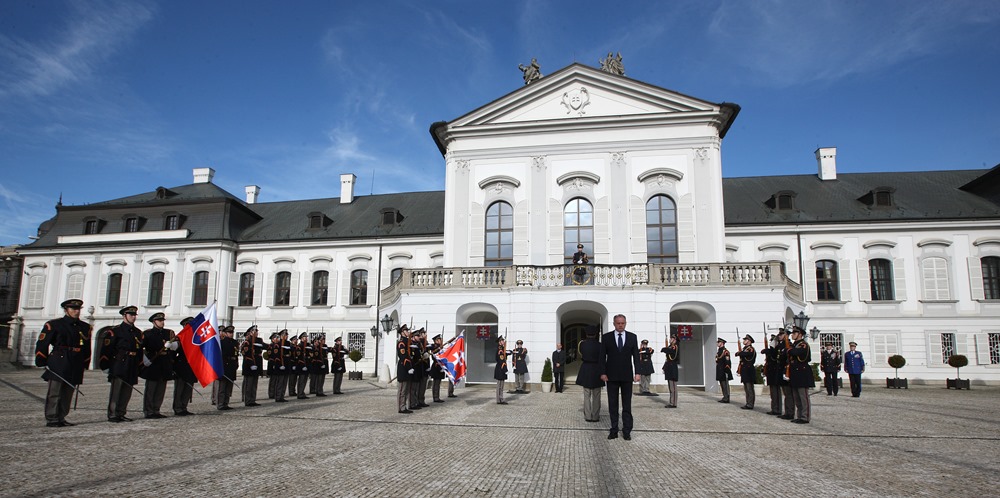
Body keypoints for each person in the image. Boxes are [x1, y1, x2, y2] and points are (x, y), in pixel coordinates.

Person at [34, 298, 92, 427]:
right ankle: (52, 417)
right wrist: (42, 360)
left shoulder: (85, 327)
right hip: (59, 359)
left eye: (78, 309)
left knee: (68, 392)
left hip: (75, 360)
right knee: (55, 391)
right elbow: (43, 343)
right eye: (73, 309)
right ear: (66, 310)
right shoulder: (54, 324)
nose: (76, 312)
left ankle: (61, 416)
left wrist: (85, 362)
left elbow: (87, 346)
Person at [600, 314, 641, 441]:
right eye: (618, 323)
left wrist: (637, 372)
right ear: (614, 324)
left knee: (626, 404)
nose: (620, 325)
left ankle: (627, 430)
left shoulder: (632, 337)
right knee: (613, 404)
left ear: (625, 323)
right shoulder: (606, 337)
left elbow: (636, 356)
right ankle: (614, 430)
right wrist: (602, 372)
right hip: (611, 376)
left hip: (627, 376)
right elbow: (602, 357)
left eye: (622, 323)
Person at [103, 305, 143, 423]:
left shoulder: (137, 332)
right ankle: (113, 413)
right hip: (119, 363)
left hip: (132, 363)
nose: (133, 317)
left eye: (135, 315)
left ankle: (121, 412)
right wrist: (105, 365)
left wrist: (139, 364)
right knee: (117, 390)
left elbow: (139, 350)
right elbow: (106, 349)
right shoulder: (115, 331)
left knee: (127, 390)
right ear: (124, 316)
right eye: (131, 315)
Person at [140, 312, 176, 419]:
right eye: (160, 321)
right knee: (151, 389)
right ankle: (149, 410)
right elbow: (140, 348)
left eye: (163, 321)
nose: (162, 322)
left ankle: (156, 409)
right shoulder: (147, 334)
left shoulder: (168, 333)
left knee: (161, 389)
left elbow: (174, 347)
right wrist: (144, 360)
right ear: (154, 322)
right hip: (153, 364)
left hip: (164, 363)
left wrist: (171, 346)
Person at [787, 327, 814, 423]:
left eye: (795, 333)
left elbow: (795, 352)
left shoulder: (803, 344)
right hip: (795, 372)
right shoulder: (794, 344)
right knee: (796, 396)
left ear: (800, 334)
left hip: (802, 372)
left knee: (803, 396)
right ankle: (799, 415)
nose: (793, 334)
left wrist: (789, 349)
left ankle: (805, 417)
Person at [171, 317, 197, 416]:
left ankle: (184, 407)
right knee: (179, 388)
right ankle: (177, 408)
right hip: (181, 366)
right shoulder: (180, 338)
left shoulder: (195, 338)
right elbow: (173, 354)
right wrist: (173, 368)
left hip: (191, 367)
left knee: (188, 388)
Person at [576, 328, 603, 421]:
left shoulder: (582, 344)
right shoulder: (600, 345)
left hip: (586, 368)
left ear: (587, 335)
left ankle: (587, 416)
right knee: (597, 395)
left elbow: (580, 353)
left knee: (586, 395)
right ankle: (595, 416)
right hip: (597, 369)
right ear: (595, 335)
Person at [241, 325, 265, 406]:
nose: (256, 333)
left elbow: (265, 346)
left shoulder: (259, 340)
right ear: (251, 333)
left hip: (257, 364)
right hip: (249, 366)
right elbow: (246, 354)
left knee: (254, 384)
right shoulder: (247, 342)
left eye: (257, 331)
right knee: (249, 385)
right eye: (255, 331)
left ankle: (252, 400)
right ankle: (248, 400)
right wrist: (251, 364)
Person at [760, 333, 783, 415]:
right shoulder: (774, 350)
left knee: (776, 392)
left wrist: (770, 351)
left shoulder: (777, 349)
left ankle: (777, 409)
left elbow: (775, 358)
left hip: (775, 372)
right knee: (773, 392)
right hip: (771, 372)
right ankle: (774, 408)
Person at [217, 326, 238, 410]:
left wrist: (236, 364)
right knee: (222, 387)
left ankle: (226, 403)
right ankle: (221, 404)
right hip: (225, 366)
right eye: (229, 333)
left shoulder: (234, 342)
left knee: (229, 387)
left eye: (232, 332)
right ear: (225, 333)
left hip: (232, 366)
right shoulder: (222, 342)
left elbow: (236, 354)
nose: (231, 334)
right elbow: (220, 356)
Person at [734, 334, 757, 410]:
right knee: (746, 388)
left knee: (749, 388)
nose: (744, 341)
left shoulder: (751, 349)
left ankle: (750, 404)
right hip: (745, 370)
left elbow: (748, 354)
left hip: (749, 370)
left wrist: (740, 353)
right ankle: (748, 402)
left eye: (745, 339)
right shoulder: (745, 349)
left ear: (749, 341)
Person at [396, 325, 414, 413]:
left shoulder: (407, 342)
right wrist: (408, 367)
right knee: (402, 390)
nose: (408, 332)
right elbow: (404, 357)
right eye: (406, 331)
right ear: (402, 333)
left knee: (406, 390)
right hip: (403, 368)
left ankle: (404, 406)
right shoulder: (401, 343)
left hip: (408, 368)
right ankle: (401, 407)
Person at [272, 329, 292, 403]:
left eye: (286, 335)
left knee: (284, 382)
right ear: (281, 336)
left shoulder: (288, 343)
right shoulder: (278, 344)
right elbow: (276, 356)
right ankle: (278, 396)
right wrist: (279, 365)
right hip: (280, 364)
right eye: (284, 335)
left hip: (287, 364)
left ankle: (282, 396)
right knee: (280, 382)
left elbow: (292, 350)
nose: (286, 336)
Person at [660, 335, 679, 408]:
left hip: (673, 367)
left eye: (672, 339)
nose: (670, 339)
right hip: (669, 367)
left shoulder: (675, 347)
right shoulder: (670, 347)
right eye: (670, 338)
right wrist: (664, 367)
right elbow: (667, 359)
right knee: (670, 387)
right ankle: (671, 402)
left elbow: (672, 354)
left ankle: (674, 403)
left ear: (675, 340)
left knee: (673, 387)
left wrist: (666, 349)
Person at [429, 334, 446, 402]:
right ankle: (435, 397)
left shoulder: (440, 347)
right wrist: (439, 348)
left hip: (440, 366)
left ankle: (437, 396)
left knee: (438, 383)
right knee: (436, 383)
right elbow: (434, 355)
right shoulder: (434, 346)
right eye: (439, 340)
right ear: (436, 340)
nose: (440, 341)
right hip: (436, 366)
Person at [715, 338, 732, 403]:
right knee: (722, 384)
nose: (717, 343)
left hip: (724, 370)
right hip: (720, 370)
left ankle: (727, 397)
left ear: (722, 343)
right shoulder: (719, 351)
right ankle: (725, 397)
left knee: (725, 385)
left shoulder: (725, 351)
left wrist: (727, 369)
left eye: (718, 342)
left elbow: (727, 361)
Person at [494, 336, 509, 405]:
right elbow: (501, 360)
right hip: (500, 369)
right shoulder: (500, 350)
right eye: (502, 340)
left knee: (502, 385)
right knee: (499, 385)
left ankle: (501, 399)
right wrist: (505, 369)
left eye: (503, 340)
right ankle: (499, 399)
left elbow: (504, 356)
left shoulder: (502, 349)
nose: (503, 341)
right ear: (500, 342)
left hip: (502, 368)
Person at [265, 332, 279, 399]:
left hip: (277, 364)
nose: (277, 339)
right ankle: (271, 393)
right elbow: (271, 356)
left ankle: (275, 393)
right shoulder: (271, 346)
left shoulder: (277, 346)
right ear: (272, 339)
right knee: (273, 380)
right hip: (272, 364)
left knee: (277, 380)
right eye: (276, 338)